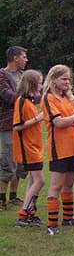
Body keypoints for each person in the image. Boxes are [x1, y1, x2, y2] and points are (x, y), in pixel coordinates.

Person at [42, 65, 74, 235]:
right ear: (54, 80)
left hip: (73, 146)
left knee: (69, 184)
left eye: (69, 79)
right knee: (56, 185)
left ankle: (68, 218)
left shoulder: (69, 97)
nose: (68, 82)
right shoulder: (49, 98)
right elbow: (58, 122)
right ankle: (51, 224)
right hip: (58, 147)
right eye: (64, 79)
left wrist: (71, 119)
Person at [12, 70, 45, 227]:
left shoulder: (30, 101)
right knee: (39, 180)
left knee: (34, 181)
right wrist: (37, 118)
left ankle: (29, 213)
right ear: (32, 83)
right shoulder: (22, 101)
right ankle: (23, 214)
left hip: (35, 146)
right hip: (28, 148)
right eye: (39, 82)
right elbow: (18, 126)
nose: (41, 85)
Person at [0, 45, 29, 211]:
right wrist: (25, 99)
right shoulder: (2, 74)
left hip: (24, 123)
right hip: (8, 124)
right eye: (24, 57)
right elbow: (6, 95)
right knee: (7, 160)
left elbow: (35, 94)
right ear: (15, 58)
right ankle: (1, 198)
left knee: (21, 161)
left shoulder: (23, 75)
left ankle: (13, 195)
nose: (26, 60)